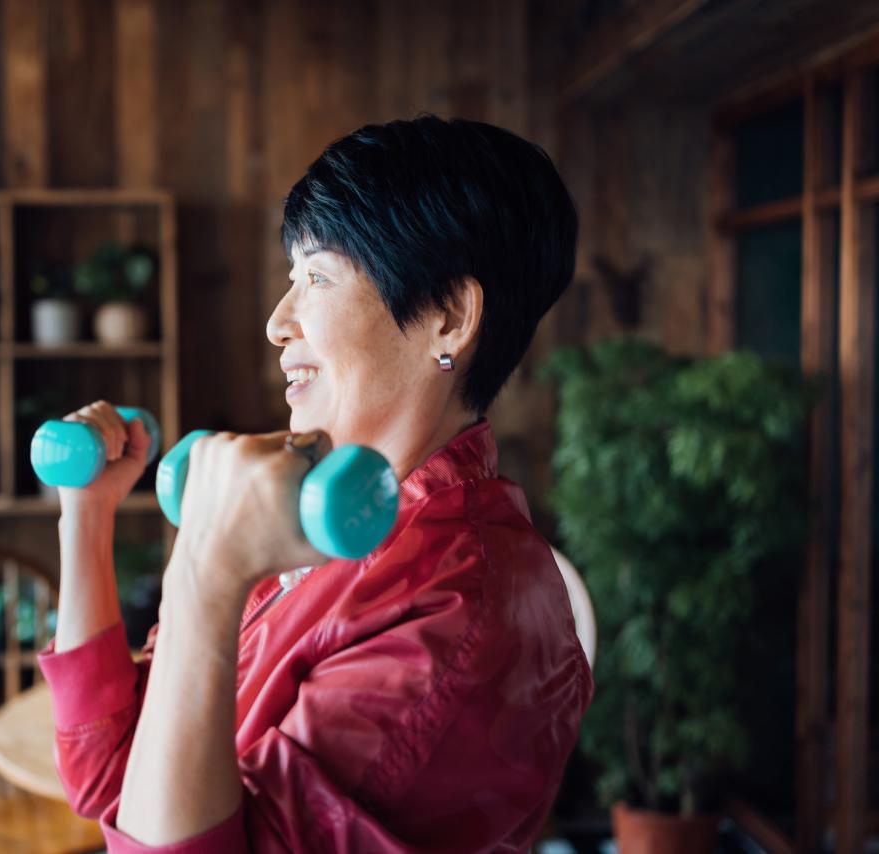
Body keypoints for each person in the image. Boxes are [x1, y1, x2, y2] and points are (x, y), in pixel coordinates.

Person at [39, 114, 592, 853]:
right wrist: (87, 515)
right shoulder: (309, 525)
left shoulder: (461, 609)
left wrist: (206, 576)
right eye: (289, 280)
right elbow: (109, 778)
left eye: (318, 278)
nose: (277, 322)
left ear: (448, 317)